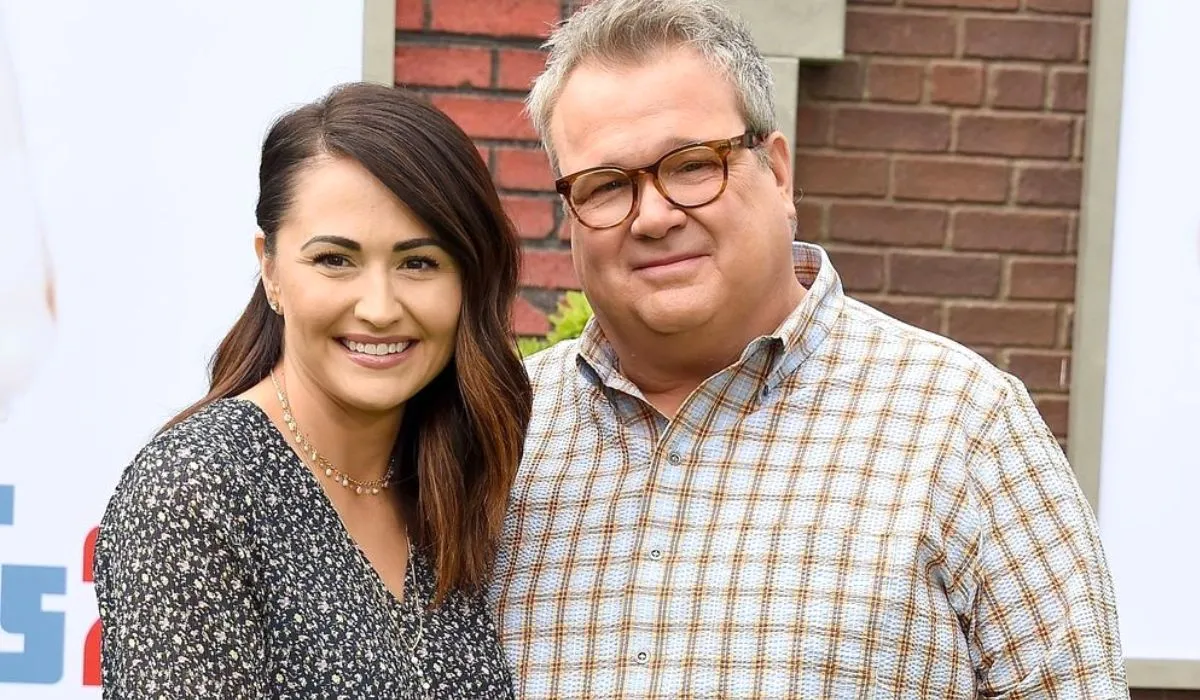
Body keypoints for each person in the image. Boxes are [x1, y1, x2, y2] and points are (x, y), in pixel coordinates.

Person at [488, 0, 1129, 698]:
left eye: (693, 165)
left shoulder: (961, 425)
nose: (654, 216)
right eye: (606, 185)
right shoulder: (499, 432)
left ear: (780, 173)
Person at [93, 82, 532, 699]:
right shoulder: (197, 493)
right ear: (270, 269)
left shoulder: (454, 475)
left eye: (419, 263)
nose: (379, 309)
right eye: (334, 260)